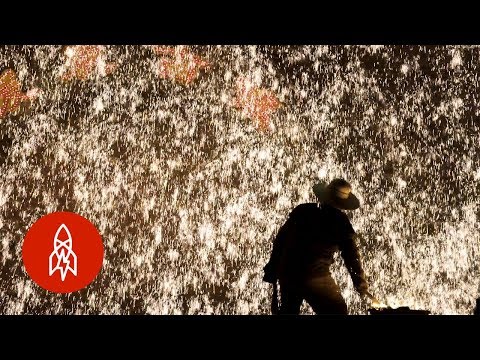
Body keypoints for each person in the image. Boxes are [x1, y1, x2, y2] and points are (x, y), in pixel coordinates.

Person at [263, 178, 378, 314]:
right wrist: (360, 284)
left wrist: (272, 266)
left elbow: (280, 240)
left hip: (288, 272)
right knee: (337, 312)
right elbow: (351, 256)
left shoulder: (303, 210)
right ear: (343, 203)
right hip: (315, 275)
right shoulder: (340, 221)